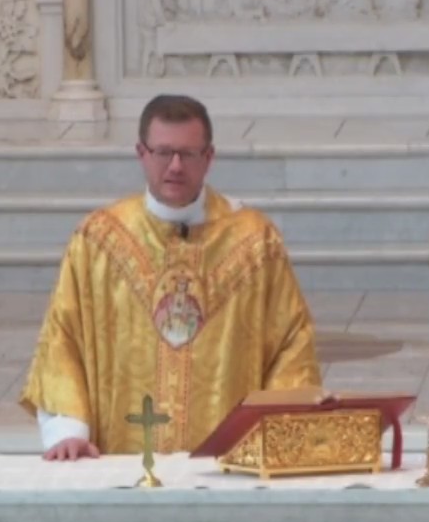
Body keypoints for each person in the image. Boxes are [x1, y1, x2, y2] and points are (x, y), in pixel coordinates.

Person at [21, 95, 321, 460]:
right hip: (119, 460)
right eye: (163, 153)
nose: (175, 166)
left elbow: (291, 343)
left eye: (188, 154)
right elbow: (63, 339)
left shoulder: (255, 242)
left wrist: (277, 429)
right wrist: (69, 432)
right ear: (141, 153)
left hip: (228, 467)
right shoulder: (98, 240)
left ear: (209, 158)